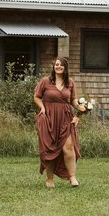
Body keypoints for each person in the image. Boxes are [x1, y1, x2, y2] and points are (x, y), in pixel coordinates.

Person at [34, 56, 81, 188]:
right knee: (49, 148)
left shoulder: (70, 82)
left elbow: (73, 100)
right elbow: (37, 97)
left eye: (61, 65)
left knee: (68, 146)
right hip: (48, 117)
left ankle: (72, 177)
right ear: (53, 67)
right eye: (56, 64)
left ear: (65, 67)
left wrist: (80, 108)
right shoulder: (45, 81)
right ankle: (49, 179)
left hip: (65, 118)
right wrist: (42, 107)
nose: (58, 67)